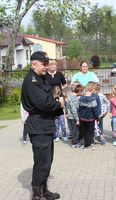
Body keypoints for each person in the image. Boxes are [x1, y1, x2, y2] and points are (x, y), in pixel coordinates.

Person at [21, 51, 64, 200]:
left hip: (45, 124)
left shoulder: (40, 78)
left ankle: (44, 190)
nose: (46, 67)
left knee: (47, 160)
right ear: (34, 64)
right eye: (43, 64)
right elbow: (44, 103)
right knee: (41, 162)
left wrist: (56, 100)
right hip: (38, 125)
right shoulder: (31, 81)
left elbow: (50, 95)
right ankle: (37, 195)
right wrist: (59, 104)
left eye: (47, 63)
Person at [78, 82, 100, 150]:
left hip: (82, 118)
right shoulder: (92, 99)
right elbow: (95, 110)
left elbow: (79, 108)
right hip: (90, 119)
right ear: (92, 90)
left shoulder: (81, 98)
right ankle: (87, 145)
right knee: (90, 132)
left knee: (84, 131)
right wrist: (97, 118)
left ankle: (84, 143)